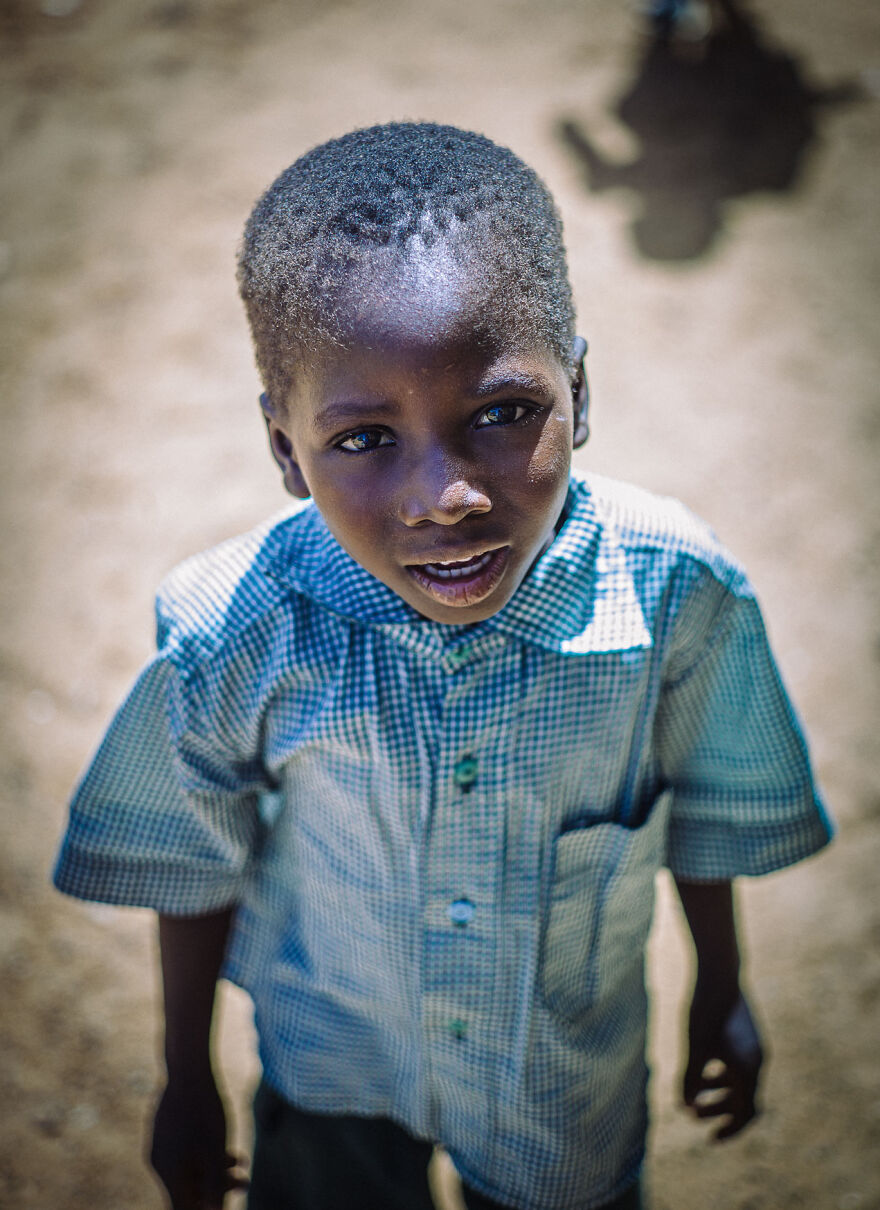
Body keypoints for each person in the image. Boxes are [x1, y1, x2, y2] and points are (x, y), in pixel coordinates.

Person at [53, 122, 832, 1210]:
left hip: (557, 1087)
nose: (445, 497)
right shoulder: (233, 629)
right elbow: (193, 859)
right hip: (331, 1061)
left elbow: (703, 805)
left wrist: (724, 982)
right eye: (365, 439)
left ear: (581, 394)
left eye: (504, 415)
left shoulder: (674, 597)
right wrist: (189, 1075)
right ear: (285, 448)